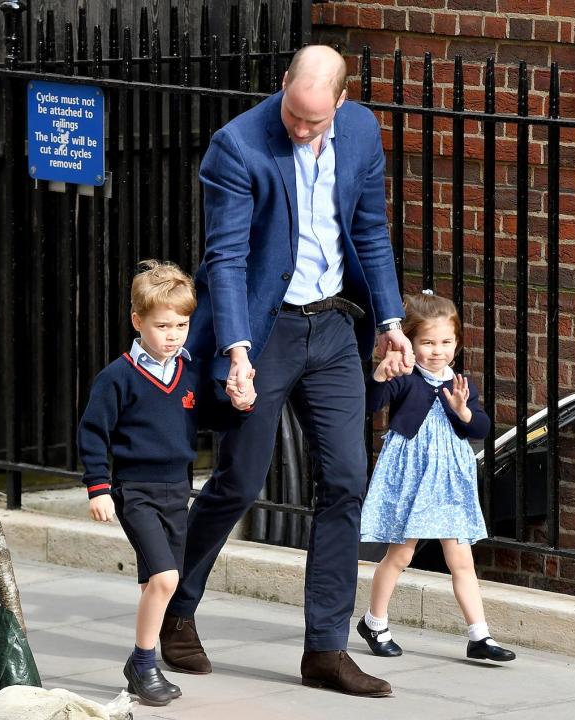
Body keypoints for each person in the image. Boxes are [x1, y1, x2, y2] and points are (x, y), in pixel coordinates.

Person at [159, 45, 413, 697]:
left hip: (333, 326)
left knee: (347, 481)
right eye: (294, 116)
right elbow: (227, 259)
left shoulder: (360, 131)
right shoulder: (237, 146)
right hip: (266, 333)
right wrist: (236, 351)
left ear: (343, 102)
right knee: (240, 482)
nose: (301, 130)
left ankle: (325, 650)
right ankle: (173, 605)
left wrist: (389, 322)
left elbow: (372, 231)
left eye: (315, 121)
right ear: (282, 88)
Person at [77, 260, 255, 707]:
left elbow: (214, 418)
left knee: (156, 585)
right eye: (162, 325)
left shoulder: (190, 372)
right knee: (166, 576)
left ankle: (144, 661)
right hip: (135, 492)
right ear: (138, 322)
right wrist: (98, 487)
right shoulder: (117, 377)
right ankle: (142, 662)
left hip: (178, 490)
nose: (173, 334)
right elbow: (93, 433)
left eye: (182, 324)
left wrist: (240, 404)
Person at [355, 291, 516, 663]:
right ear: (410, 342)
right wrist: (379, 374)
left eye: (446, 342)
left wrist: (462, 411)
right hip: (413, 477)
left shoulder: (462, 384)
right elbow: (370, 403)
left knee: (462, 560)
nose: (437, 350)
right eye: (427, 342)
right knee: (401, 554)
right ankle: (374, 621)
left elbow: (481, 428)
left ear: (457, 343)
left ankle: (480, 636)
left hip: (450, 482)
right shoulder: (405, 377)